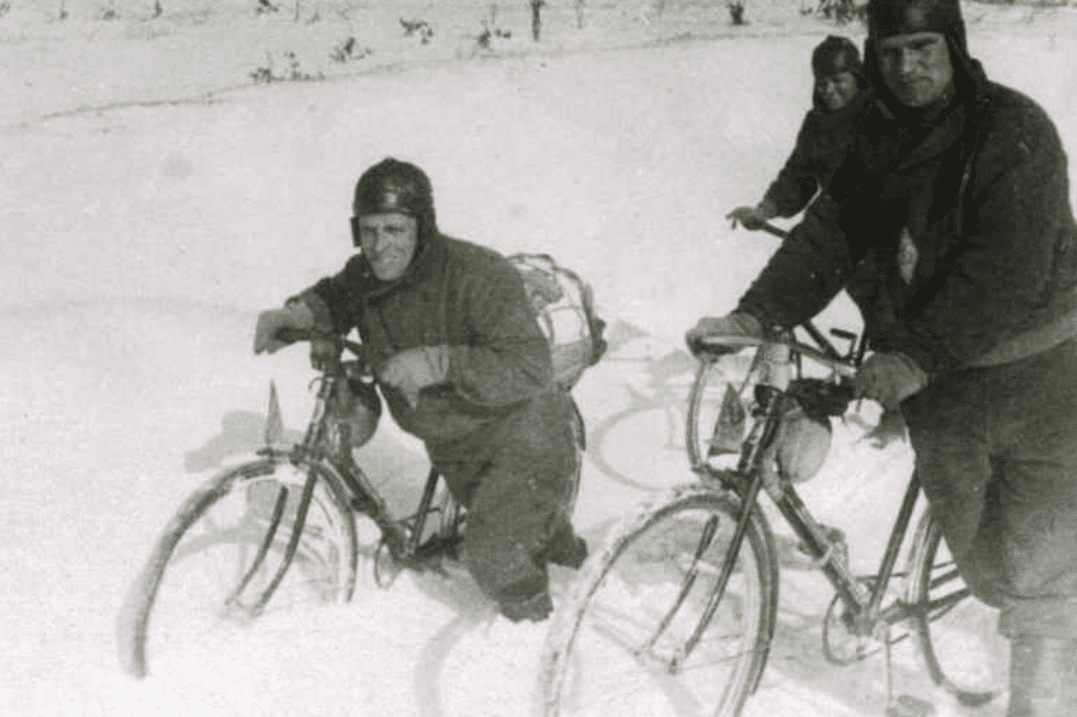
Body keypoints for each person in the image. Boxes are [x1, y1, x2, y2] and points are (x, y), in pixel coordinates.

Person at [688, 0, 1077, 713]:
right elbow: (831, 231)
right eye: (890, 52)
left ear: (953, 45)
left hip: (1039, 381)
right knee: (988, 573)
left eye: (922, 47)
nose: (906, 67)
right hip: (945, 391)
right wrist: (755, 314)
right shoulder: (876, 134)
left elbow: (1007, 270)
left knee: (1041, 579)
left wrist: (914, 355)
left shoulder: (1013, 129)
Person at [252, 157, 588, 623]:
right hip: (453, 440)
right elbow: (335, 296)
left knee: (496, 556)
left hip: (523, 431)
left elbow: (530, 367)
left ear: (422, 227)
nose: (379, 246)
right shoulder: (366, 274)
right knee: (520, 522)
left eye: (394, 229)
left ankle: (537, 627)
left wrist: (439, 362)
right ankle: (570, 559)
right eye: (368, 230)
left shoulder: (478, 274)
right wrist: (296, 315)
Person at [726, 35, 872, 232]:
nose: (829, 90)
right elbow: (798, 175)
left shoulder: (879, 115)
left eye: (838, 81)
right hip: (838, 225)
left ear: (857, 78)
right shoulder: (816, 124)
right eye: (822, 83)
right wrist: (765, 210)